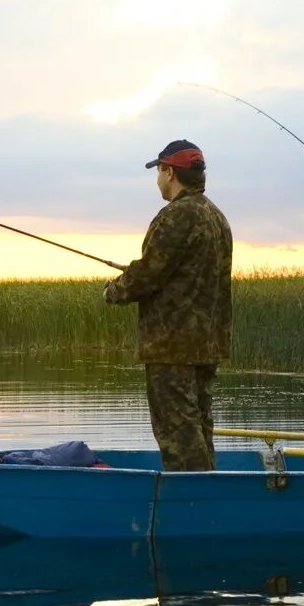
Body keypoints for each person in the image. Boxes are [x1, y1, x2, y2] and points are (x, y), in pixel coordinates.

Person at [104, 139, 233, 472]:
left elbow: (148, 274)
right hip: (207, 343)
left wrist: (114, 289)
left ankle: (192, 505)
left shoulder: (175, 215)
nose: (158, 180)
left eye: (159, 171)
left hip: (171, 344)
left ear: (170, 172)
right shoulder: (216, 217)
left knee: (177, 431)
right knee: (199, 425)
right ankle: (209, 496)